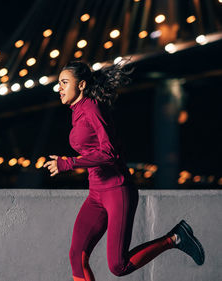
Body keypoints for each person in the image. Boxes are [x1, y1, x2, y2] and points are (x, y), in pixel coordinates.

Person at [43, 61, 204, 281]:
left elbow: (110, 153)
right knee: (76, 256)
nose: (59, 88)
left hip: (117, 192)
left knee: (119, 266)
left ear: (81, 85)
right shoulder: (77, 110)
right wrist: (70, 160)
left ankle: (175, 238)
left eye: (64, 83)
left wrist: (70, 163)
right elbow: (93, 150)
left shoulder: (92, 108)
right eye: (59, 83)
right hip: (96, 195)